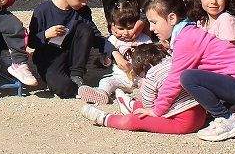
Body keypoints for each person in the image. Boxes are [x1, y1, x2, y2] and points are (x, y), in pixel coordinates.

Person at [138, 0, 235, 142]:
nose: (151, 28)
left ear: (171, 18)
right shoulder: (190, 32)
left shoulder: (186, 38)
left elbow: (175, 78)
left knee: (187, 77)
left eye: (154, 22)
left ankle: (226, 119)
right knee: (193, 75)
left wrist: (157, 110)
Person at [79, 41, 207, 135]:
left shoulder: (151, 75)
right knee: (165, 99)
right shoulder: (175, 62)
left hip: (182, 122)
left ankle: (105, 118)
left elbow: (148, 105)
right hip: (201, 114)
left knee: (137, 120)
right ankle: (130, 105)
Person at [28, 0, 105, 99]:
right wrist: (46, 35)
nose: (85, 3)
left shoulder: (82, 10)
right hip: (50, 58)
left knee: (86, 28)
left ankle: (77, 75)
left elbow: (95, 34)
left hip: (72, 57)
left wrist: (112, 51)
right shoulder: (42, 11)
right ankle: (78, 89)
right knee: (62, 88)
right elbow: (31, 42)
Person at [74, 0, 151, 105]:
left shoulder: (143, 39)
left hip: (141, 76)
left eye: (130, 28)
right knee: (106, 81)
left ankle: (144, 98)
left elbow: (151, 58)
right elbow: (105, 57)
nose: (125, 33)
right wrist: (106, 60)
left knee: (148, 84)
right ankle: (102, 93)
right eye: (121, 29)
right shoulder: (112, 40)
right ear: (111, 26)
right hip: (120, 76)